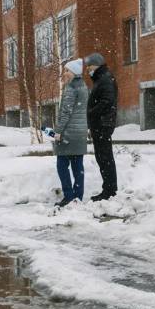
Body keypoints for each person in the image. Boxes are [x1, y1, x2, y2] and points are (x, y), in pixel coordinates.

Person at [53, 59, 89, 208]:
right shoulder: (83, 86)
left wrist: (58, 131)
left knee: (62, 164)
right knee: (77, 165)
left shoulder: (71, 88)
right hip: (80, 132)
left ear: (74, 72)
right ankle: (78, 196)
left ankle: (69, 196)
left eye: (67, 71)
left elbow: (65, 113)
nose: (65, 74)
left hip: (69, 132)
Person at [84, 52, 118, 201]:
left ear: (97, 65)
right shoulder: (101, 79)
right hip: (100, 123)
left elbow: (107, 101)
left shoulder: (105, 79)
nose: (87, 70)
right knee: (102, 157)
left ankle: (109, 190)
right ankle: (109, 188)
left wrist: (92, 112)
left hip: (103, 124)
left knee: (105, 158)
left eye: (89, 66)